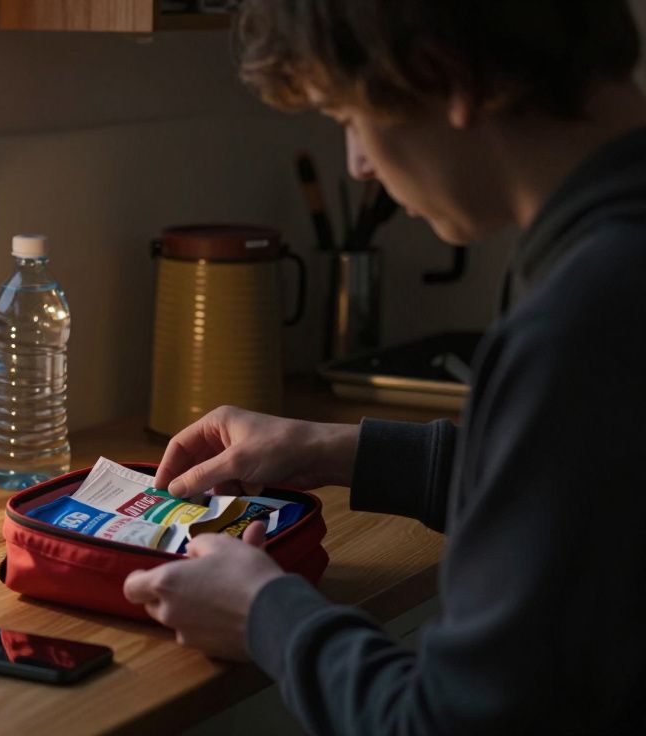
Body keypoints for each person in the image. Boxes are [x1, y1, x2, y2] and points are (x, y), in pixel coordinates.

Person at [121, 1, 646, 733]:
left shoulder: (583, 321)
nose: (359, 165)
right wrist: (339, 450)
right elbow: (585, 486)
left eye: (347, 119)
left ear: (445, 78)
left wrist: (264, 613)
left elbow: (440, 724)